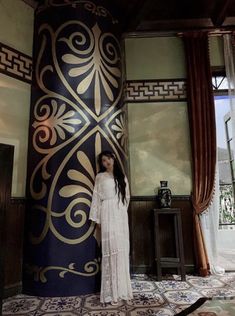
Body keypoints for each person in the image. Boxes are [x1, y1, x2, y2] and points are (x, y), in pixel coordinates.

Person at [89, 150, 133, 305]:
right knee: (110, 250)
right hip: (106, 213)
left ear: (113, 158)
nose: (106, 162)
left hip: (120, 215)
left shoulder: (122, 177)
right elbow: (96, 197)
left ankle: (122, 290)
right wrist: (98, 219)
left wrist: (121, 212)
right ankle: (110, 293)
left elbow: (127, 197)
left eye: (108, 159)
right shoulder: (100, 177)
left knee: (121, 250)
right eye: (103, 161)